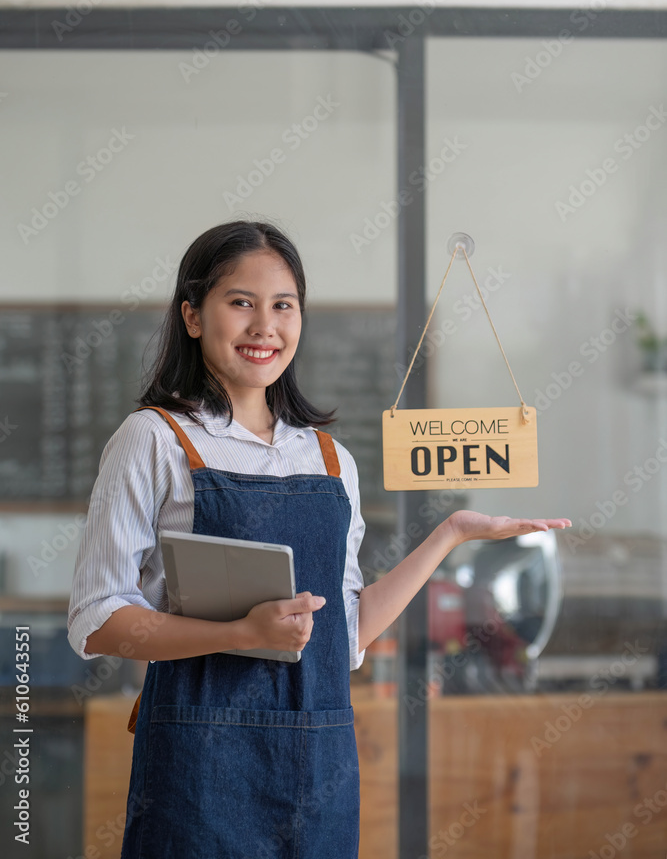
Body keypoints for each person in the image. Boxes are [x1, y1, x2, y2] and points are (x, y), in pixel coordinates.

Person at [67, 219, 571, 858]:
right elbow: (96, 620)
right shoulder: (155, 440)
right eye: (240, 303)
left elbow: (347, 637)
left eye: (283, 305)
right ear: (193, 316)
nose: (264, 327)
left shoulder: (331, 461)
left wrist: (450, 534)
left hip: (320, 769)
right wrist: (239, 635)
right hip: (198, 767)